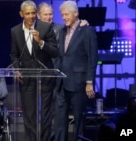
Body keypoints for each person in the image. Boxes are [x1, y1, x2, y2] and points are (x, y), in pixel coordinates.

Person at [9, 0, 58, 141]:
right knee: (29, 115)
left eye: (33, 13)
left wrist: (41, 42)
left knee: (45, 114)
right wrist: (16, 69)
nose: (31, 16)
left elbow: (55, 52)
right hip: (26, 78)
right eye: (28, 13)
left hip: (45, 77)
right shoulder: (15, 31)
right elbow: (13, 54)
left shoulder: (45, 28)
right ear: (21, 14)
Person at [54, 1, 98, 141]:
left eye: (66, 14)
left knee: (79, 119)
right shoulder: (61, 31)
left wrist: (89, 81)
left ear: (76, 13)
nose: (64, 17)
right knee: (60, 120)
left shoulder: (87, 31)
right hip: (62, 83)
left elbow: (92, 57)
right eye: (62, 15)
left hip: (79, 82)